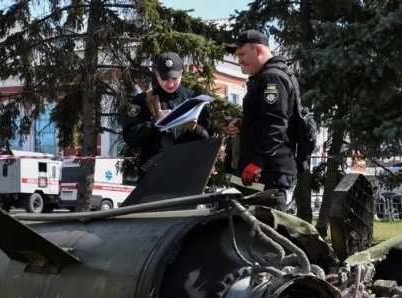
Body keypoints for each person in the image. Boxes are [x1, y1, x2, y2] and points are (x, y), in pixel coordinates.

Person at [225, 30, 299, 211]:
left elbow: (276, 124)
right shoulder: (265, 77)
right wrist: (242, 126)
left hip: (267, 173)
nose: (239, 60)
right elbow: (265, 120)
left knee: (267, 232)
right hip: (261, 172)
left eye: (242, 54)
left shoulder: (271, 77)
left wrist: (258, 161)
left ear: (258, 50)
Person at [123, 51, 213, 177]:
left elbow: (208, 139)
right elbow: (129, 136)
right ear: (157, 74)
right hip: (154, 176)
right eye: (165, 78)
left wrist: (194, 129)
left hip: (187, 174)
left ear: (182, 72)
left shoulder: (196, 99)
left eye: (174, 78)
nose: (170, 83)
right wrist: (156, 125)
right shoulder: (142, 100)